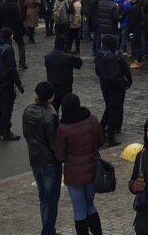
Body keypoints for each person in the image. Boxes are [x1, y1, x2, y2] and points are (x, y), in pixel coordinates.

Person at [54, 93, 105, 235]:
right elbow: (101, 141)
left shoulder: (63, 128)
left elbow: (60, 155)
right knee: (90, 206)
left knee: (79, 209)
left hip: (73, 175)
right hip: (92, 171)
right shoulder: (92, 120)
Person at [23, 82, 62, 235]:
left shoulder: (28, 111)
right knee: (51, 200)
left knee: (43, 197)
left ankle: (48, 230)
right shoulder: (50, 114)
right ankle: (48, 231)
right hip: (50, 162)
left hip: (35, 158)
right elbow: (54, 142)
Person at [96, 33, 133, 146]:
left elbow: (98, 72)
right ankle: (110, 136)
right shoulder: (114, 56)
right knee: (114, 110)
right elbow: (121, 70)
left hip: (104, 85)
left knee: (109, 108)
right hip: (115, 86)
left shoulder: (100, 54)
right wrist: (126, 82)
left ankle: (101, 129)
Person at [0, 27, 24, 141]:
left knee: (1, 105)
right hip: (7, 81)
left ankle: (1, 130)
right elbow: (11, 69)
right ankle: (6, 131)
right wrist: (19, 84)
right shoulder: (8, 49)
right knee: (7, 107)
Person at [45, 34, 83, 105]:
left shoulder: (47, 56)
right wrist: (76, 55)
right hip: (65, 88)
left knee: (53, 110)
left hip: (52, 87)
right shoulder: (68, 57)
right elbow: (79, 65)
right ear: (64, 45)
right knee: (67, 110)